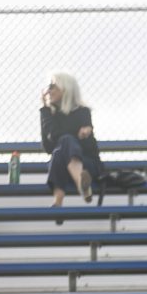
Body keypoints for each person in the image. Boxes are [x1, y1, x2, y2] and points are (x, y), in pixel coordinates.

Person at [39, 72, 101, 217]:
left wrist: (78, 135)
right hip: (62, 163)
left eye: (52, 86)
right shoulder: (49, 113)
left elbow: (89, 148)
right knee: (59, 150)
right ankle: (82, 185)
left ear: (65, 88)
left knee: (64, 143)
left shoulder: (83, 111)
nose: (48, 90)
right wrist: (44, 110)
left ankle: (58, 201)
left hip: (88, 164)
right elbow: (48, 146)